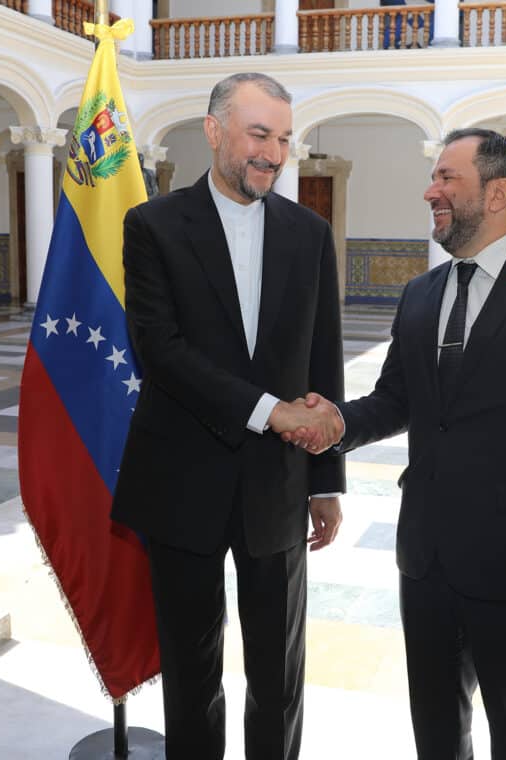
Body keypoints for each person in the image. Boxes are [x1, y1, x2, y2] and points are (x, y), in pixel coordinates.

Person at [289, 128, 506, 759]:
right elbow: (396, 401)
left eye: (448, 178)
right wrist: (336, 424)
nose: (431, 191)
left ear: (496, 193)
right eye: (435, 178)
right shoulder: (421, 293)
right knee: (437, 733)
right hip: (427, 560)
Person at [111, 72, 346, 760]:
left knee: (278, 675)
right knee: (191, 675)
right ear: (214, 132)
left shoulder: (310, 233)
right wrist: (270, 412)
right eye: (258, 135)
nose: (273, 153)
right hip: (180, 481)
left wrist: (325, 481)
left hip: (278, 484)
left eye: (284, 138)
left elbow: (323, 363)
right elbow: (161, 351)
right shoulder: (152, 226)